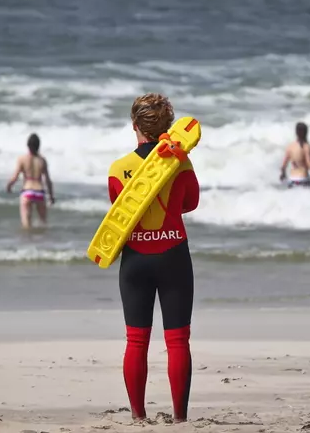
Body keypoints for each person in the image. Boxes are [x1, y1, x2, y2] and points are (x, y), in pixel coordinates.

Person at [107, 93, 200, 423]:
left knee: (136, 340)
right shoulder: (180, 162)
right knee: (177, 341)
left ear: (134, 125)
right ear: (167, 126)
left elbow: (120, 214)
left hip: (135, 260)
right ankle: (179, 418)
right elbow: (191, 203)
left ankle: (137, 416)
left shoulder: (119, 169)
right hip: (173, 254)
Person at [6, 133, 55, 228]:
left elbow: (15, 177)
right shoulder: (42, 160)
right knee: (43, 223)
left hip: (27, 192)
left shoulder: (22, 159)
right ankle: (42, 241)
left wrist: (9, 186)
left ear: (28, 145)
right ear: (38, 146)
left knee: (26, 225)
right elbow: (48, 181)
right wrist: (51, 196)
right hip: (40, 193)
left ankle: (28, 242)